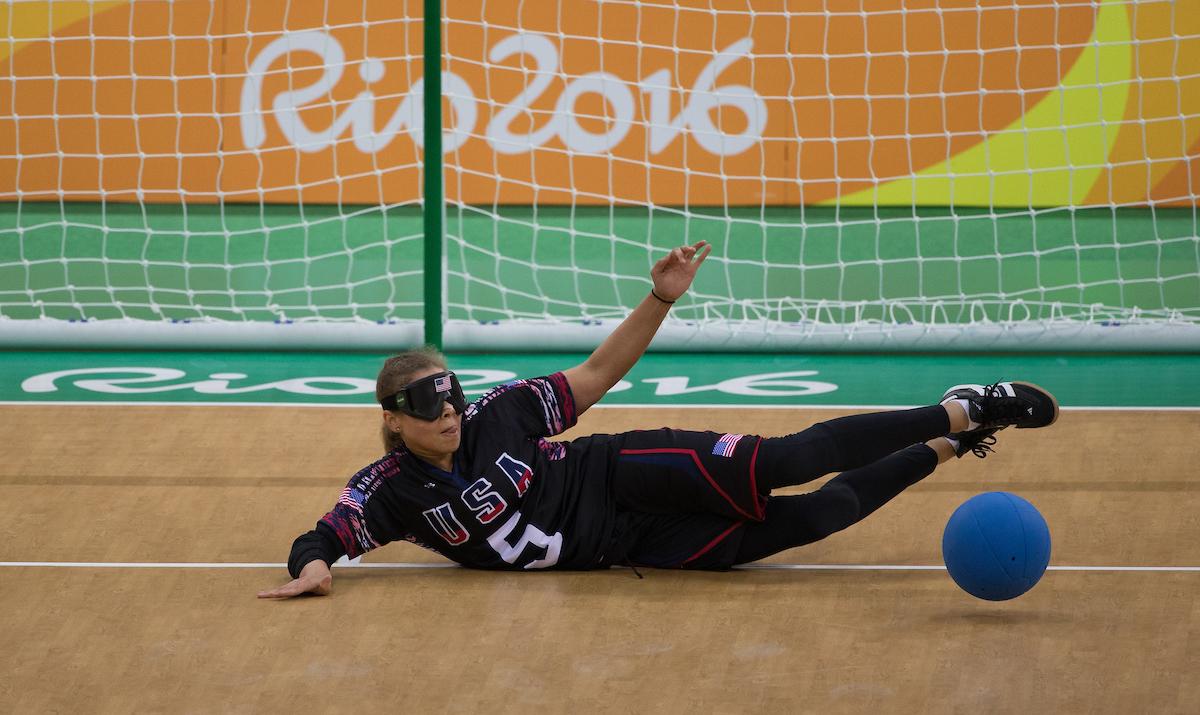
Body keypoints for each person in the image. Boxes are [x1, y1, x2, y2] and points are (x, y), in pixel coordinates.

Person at [258, 240, 1059, 599]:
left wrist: (661, 297)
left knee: (783, 461)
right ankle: (949, 445)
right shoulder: (392, 490)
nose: (451, 410)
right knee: (814, 517)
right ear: (395, 419)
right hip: (627, 545)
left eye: (453, 390)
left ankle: (967, 402)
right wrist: (315, 568)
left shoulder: (502, 413)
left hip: (620, 469)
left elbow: (600, 373)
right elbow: (323, 535)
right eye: (431, 402)